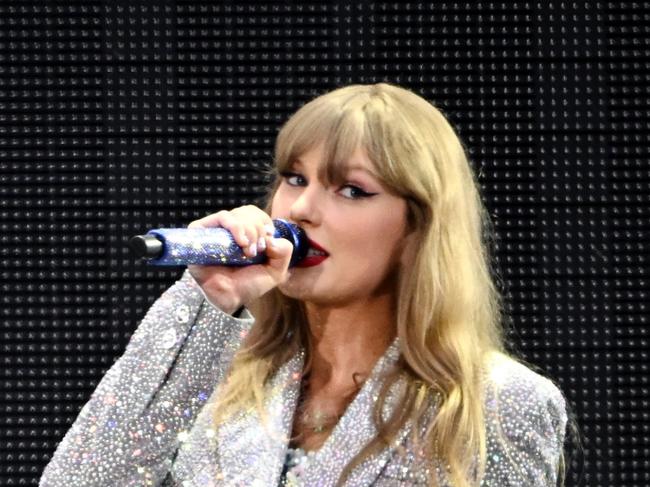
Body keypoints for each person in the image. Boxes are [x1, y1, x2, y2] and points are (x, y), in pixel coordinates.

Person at [40, 83, 569, 486]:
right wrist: (207, 299)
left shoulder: (498, 404)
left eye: (352, 190)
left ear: (417, 229)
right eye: (295, 178)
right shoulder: (220, 374)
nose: (301, 209)